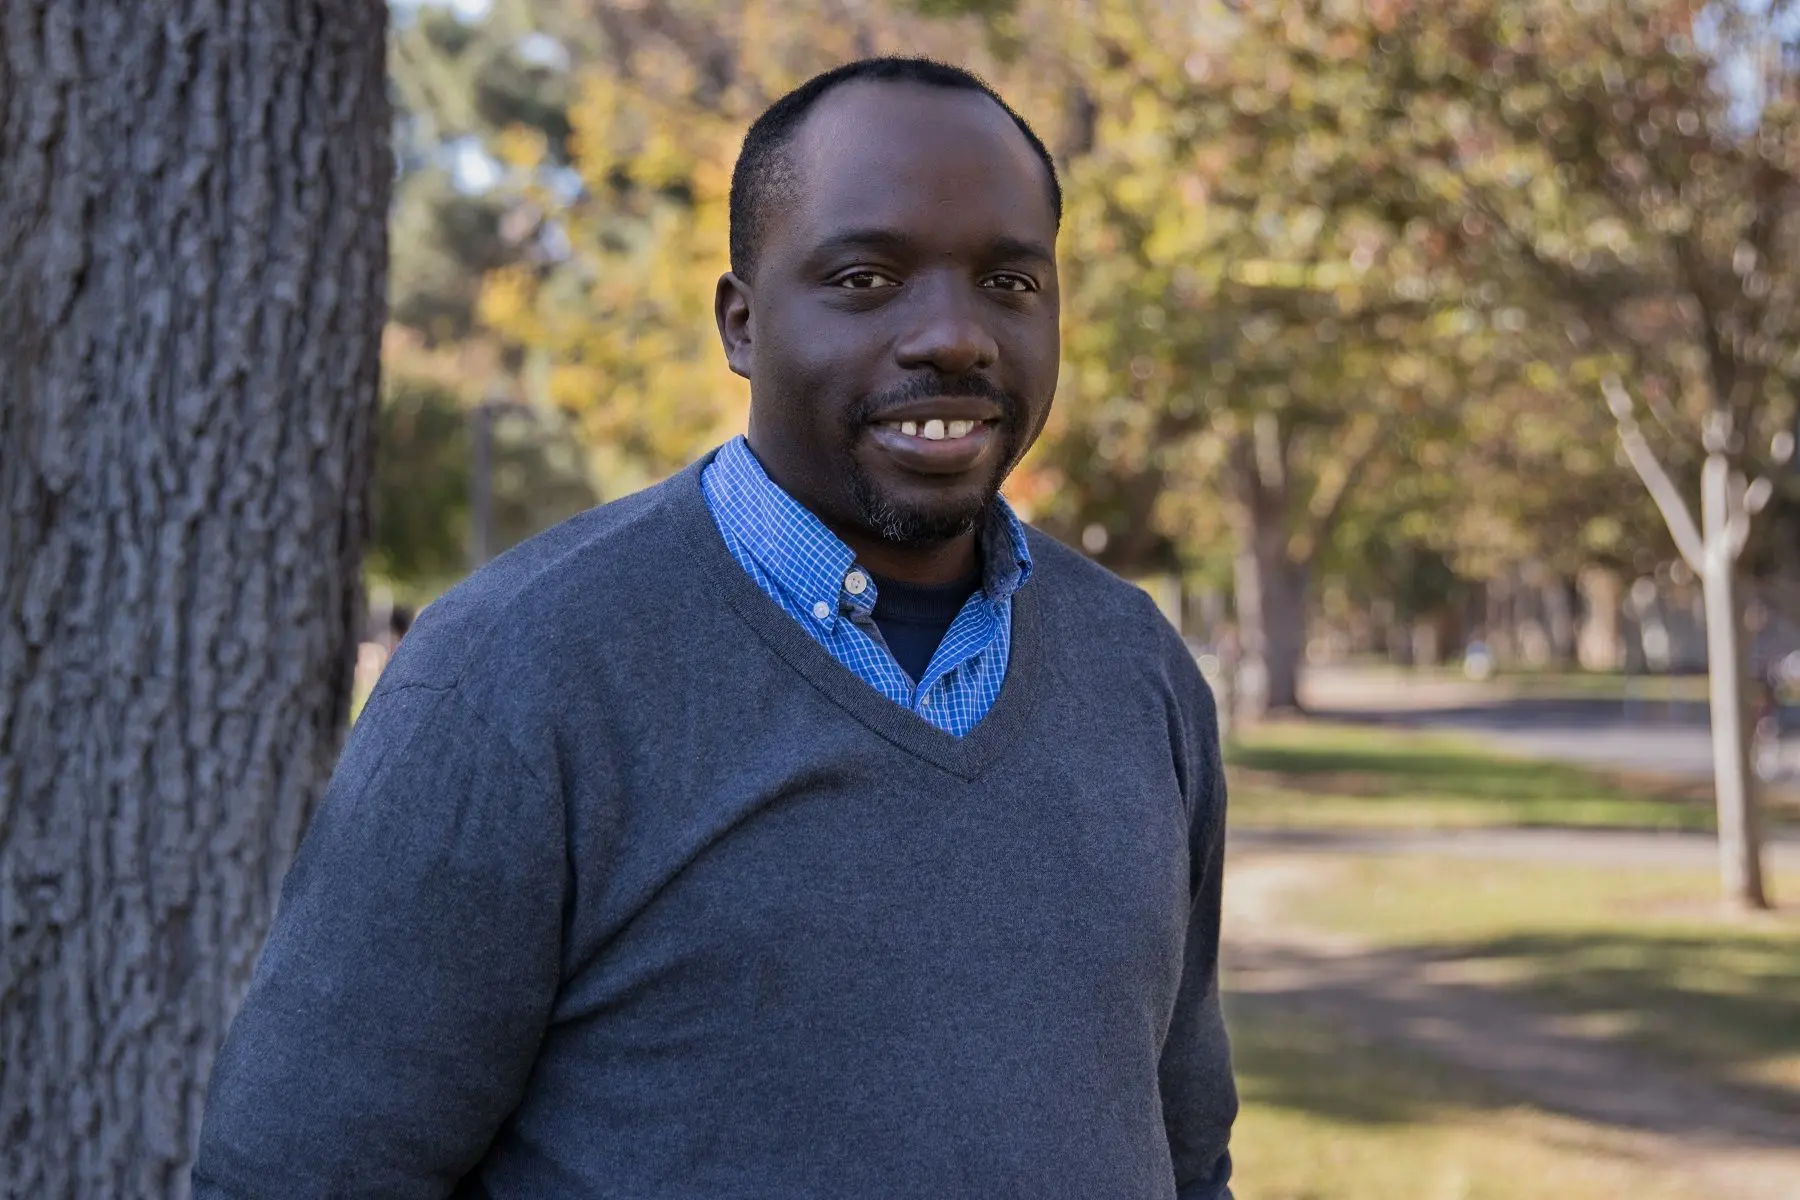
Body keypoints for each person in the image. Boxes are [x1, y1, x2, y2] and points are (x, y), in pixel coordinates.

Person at [193, 57, 1236, 1199]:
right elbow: (295, 1174)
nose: (956, 337)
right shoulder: (519, 674)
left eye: (1010, 283)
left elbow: (1187, 1152)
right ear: (742, 324)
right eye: (867, 277)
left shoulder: (1138, 669)